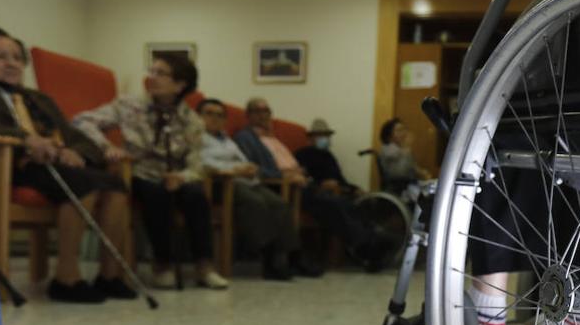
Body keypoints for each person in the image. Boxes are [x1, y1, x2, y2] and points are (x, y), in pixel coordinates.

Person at [0, 28, 133, 303]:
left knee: (114, 185)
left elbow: (77, 136)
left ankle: (109, 276)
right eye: (0, 57)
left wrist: (75, 151)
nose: (11, 63)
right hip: (9, 165)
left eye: (16, 58)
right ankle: (66, 279)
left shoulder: (39, 98)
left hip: (52, 166)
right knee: (82, 183)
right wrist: (26, 139)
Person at [73, 53, 228, 290]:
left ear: (180, 84)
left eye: (160, 73)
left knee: (196, 195)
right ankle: (162, 263)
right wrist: (107, 146)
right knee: (155, 193)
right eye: (151, 71)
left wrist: (181, 177)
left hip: (176, 176)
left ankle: (204, 265)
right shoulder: (128, 105)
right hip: (139, 172)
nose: (151, 77)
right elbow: (82, 121)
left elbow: (196, 165)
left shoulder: (193, 121)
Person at [233, 101, 390, 271]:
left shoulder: (273, 138)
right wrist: (285, 176)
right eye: (258, 111)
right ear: (248, 115)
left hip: (301, 180)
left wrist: (300, 173)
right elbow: (252, 166)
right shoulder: (245, 137)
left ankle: (370, 243)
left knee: (342, 202)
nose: (263, 115)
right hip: (280, 185)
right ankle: (367, 247)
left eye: (266, 111)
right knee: (328, 203)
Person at [196, 99, 320, 280]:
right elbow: (200, 162)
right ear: (197, 117)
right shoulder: (194, 137)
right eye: (209, 113)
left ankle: (293, 257)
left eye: (220, 115)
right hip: (219, 184)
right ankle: (268, 261)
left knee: (279, 204)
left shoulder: (227, 140)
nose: (215, 118)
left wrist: (249, 167)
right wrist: (232, 170)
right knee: (256, 203)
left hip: (245, 180)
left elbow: (241, 159)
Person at [377, 118, 422, 190]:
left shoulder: (401, 149)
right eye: (399, 130)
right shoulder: (388, 149)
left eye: (404, 130)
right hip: (398, 187)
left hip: (407, 184)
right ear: (389, 134)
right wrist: (406, 148)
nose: (403, 133)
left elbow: (412, 167)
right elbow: (401, 172)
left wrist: (422, 172)